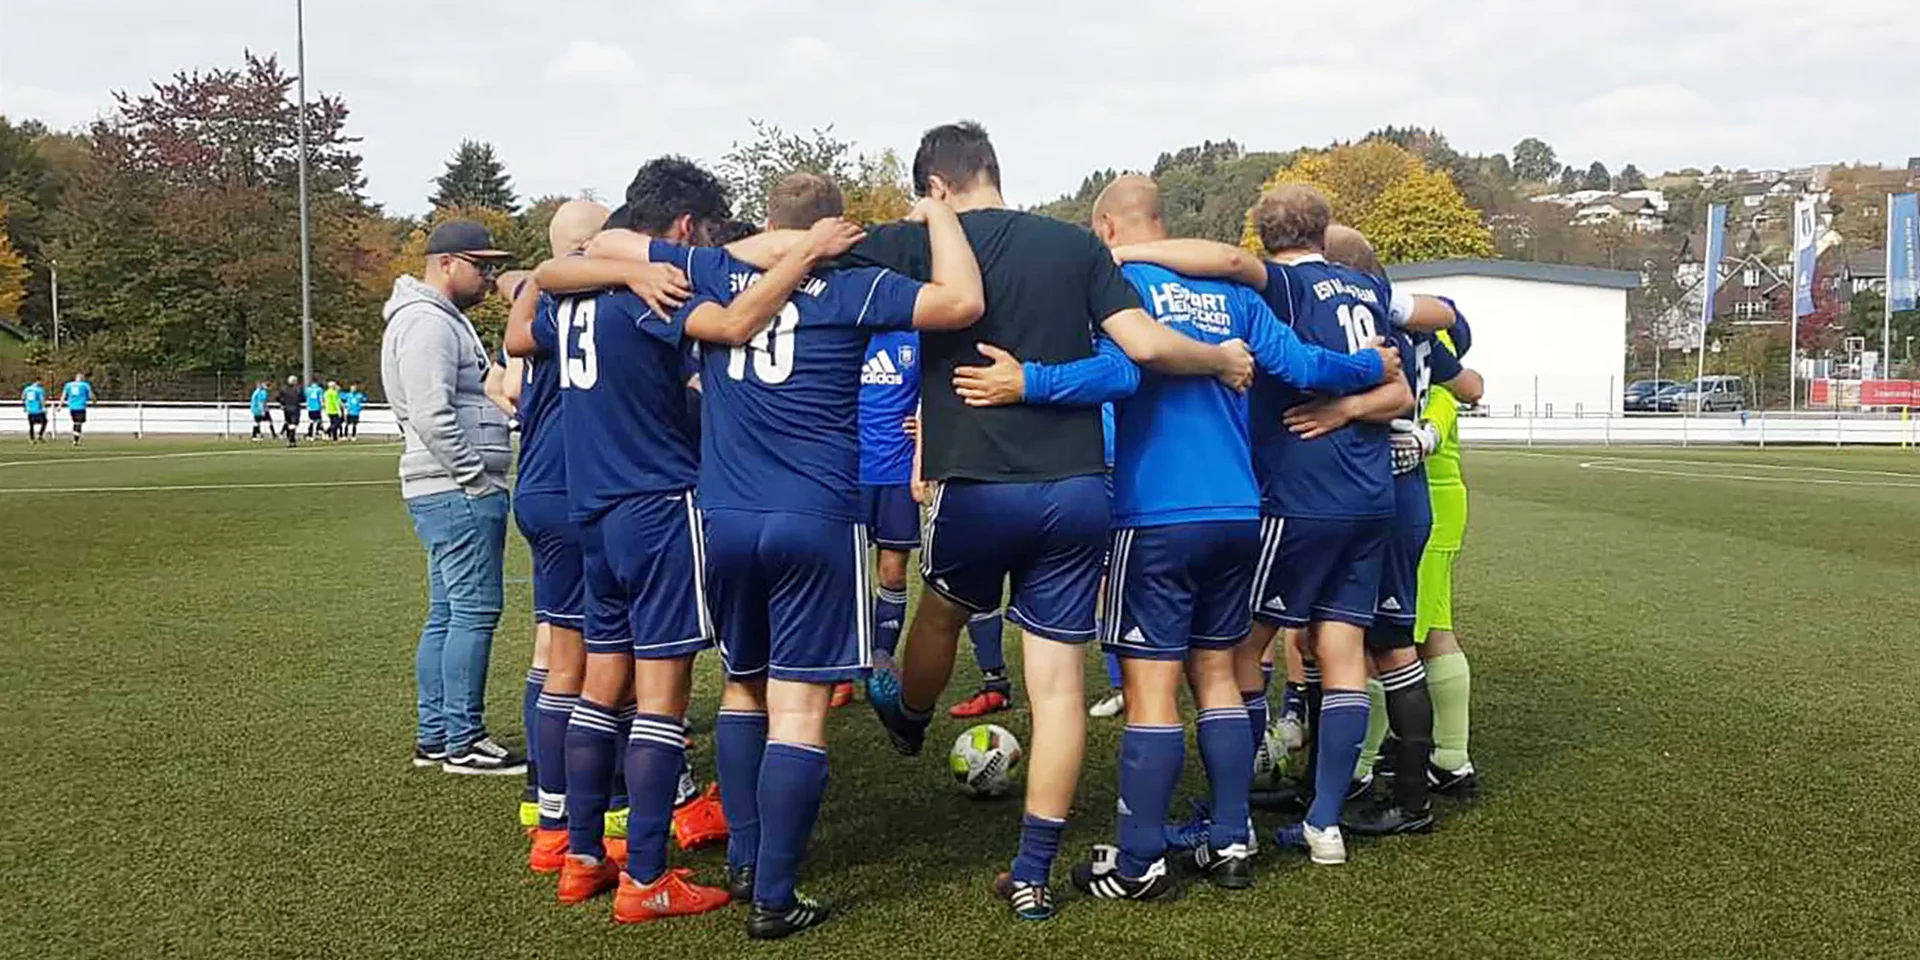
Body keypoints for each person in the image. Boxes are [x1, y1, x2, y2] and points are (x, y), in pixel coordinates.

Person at [846, 122, 1253, 921]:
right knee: (1058, 688)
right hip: (1075, 493)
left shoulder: (918, 239)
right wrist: (1219, 357)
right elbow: (1135, 352)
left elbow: (813, 253)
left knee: (944, 607)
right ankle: (1031, 874)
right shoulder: (1075, 249)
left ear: (935, 186)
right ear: (993, 171)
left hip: (978, 483)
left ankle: (909, 717)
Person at [961, 175, 1394, 899]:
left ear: (1106, 229)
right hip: (1237, 512)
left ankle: (1139, 862)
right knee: (1220, 676)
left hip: (1156, 515)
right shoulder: (1235, 299)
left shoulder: (1116, 288)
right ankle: (1231, 841)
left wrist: (1025, 382)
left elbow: (1114, 373)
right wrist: (1369, 367)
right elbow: (1306, 366)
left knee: (1151, 688)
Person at [578, 173, 985, 939]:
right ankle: (774, 894)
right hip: (815, 515)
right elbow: (962, 301)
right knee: (799, 710)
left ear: (767, 221)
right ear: (836, 229)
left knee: (741, 689)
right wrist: (936, 214)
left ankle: (744, 857)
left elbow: (602, 243)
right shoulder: (853, 286)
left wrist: (754, 249)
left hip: (726, 514)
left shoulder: (713, 269)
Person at [508, 157, 736, 916]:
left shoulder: (573, 298)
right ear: (680, 229)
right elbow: (730, 326)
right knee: (662, 699)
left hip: (592, 505)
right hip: (658, 501)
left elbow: (529, 307)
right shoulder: (657, 290)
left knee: (599, 685)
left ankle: (579, 854)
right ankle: (645, 877)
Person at [1315, 225, 1479, 837]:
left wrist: (1423, 433)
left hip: (1388, 489)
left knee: (1404, 636)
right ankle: (1379, 777)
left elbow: (1457, 383)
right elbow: (1458, 359)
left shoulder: (1364, 321)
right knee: (1373, 637)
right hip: (1396, 493)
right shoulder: (1407, 323)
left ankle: (1414, 780)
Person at [379, 218, 520, 776]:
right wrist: (474, 477)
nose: (488, 278)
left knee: (447, 613)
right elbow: (431, 413)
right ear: (445, 263)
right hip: (455, 488)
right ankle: (463, 739)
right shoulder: (428, 324)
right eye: (479, 266)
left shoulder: (434, 320)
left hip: (443, 487)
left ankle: (437, 735)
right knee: (474, 613)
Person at [1414, 314, 1480, 797]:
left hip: (1429, 506)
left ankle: (1361, 767)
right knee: (1435, 628)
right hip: (1440, 504)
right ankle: (1450, 759)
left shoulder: (1438, 390)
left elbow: (1431, 427)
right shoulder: (1442, 386)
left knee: (1400, 634)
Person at [61, 372, 93, 445]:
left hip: (72, 407)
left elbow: (63, 395)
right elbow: (91, 394)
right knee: (78, 423)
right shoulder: (85, 385)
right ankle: (75, 440)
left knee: (76, 422)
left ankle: (76, 438)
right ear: (82, 378)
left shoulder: (68, 385)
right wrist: (94, 400)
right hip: (81, 406)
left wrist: (60, 405)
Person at [276, 375, 303, 447]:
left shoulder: (284, 389)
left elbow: (278, 397)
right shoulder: (298, 389)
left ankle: (289, 440)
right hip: (295, 408)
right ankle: (292, 440)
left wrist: (282, 403)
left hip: (286, 409)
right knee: (293, 425)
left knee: (289, 424)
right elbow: (302, 398)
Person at [22, 377, 48, 443]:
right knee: (44, 422)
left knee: (31, 425)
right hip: (38, 410)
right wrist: (44, 407)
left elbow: (23, 397)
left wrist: (25, 406)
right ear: (38, 381)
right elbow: (42, 400)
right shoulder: (39, 390)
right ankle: (40, 435)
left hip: (30, 410)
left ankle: (32, 438)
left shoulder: (27, 389)